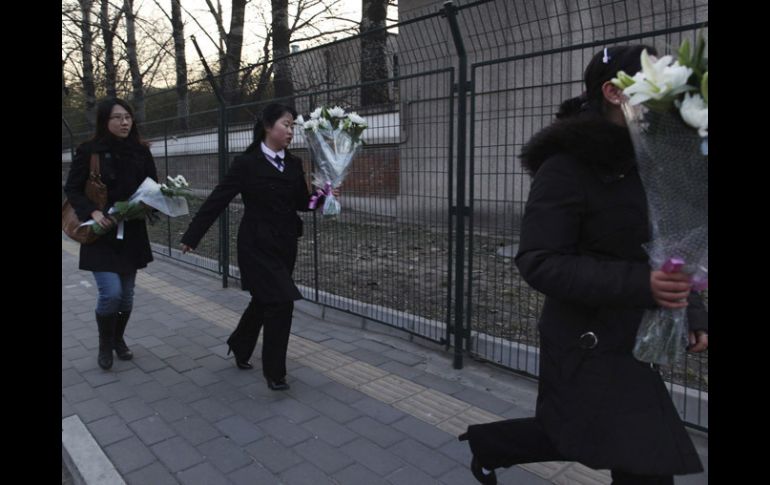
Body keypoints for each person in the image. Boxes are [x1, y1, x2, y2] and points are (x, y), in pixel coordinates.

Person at [458, 46, 709, 485]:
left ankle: (490, 445)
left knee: (584, 433)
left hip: (637, 333)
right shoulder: (566, 166)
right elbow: (539, 261)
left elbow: (672, 249)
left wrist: (692, 308)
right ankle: (492, 445)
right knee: (643, 457)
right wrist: (642, 284)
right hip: (587, 338)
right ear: (614, 92)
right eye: (660, 83)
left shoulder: (656, 160)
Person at [180, 103, 335, 391]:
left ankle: (240, 344)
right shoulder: (247, 163)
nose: (291, 131)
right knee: (281, 302)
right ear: (267, 126)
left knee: (264, 300)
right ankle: (274, 372)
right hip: (256, 246)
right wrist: (193, 235)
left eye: (293, 126)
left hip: (285, 245)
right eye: (286, 124)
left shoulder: (293, 164)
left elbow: (302, 203)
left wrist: (324, 195)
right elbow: (218, 198)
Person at [63, 98, 158, 370]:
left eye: (127, 117)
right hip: (100, 234)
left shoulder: (141, 151)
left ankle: (118, 340)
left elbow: (152, 187)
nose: (124, 122)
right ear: (105, 121)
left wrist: (151, 204)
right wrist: (93, 213)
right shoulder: (89, 151)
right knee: (111, 293)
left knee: (126, 296)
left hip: (132, 234)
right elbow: (73, 189)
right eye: (117, 117)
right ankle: (105, 345)